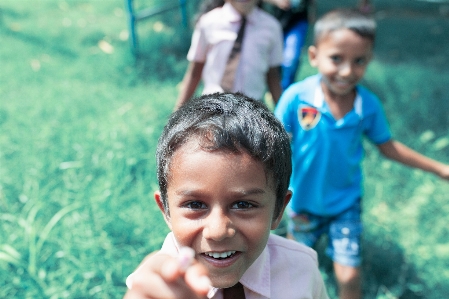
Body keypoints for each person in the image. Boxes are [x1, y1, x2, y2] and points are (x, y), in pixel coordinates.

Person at [274, 8, 449, 299]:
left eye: (359, 61)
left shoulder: (367, 106)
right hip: (302, 202)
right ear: (314, 56)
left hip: (345, 205)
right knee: (299, 269)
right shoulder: (296, 97)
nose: (347, 71)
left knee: (350, 276)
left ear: (369, 60)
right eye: (336, 59)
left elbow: (388, 147)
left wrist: (440, 169)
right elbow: (276, 142)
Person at [124, 92, 329, 299]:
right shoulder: (155, 289)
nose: (218, 231)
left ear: (278, 209)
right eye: (195, 204)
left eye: (243, 205)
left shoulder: (302, 270)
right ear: (165, 209)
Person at [174, 0, 284, 110]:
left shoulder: (271, 27)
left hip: (252, 110)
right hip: (213, 106)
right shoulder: (208, 22)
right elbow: (194, 72)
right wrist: (176, 118)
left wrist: (282, 114)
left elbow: (273, 75)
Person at [261, 0, 316, 91]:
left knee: (291, 60)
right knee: (274, 60)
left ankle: (286, 90)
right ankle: (273, 89)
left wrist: (312, 10)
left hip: (298, 19)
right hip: (275, 18)